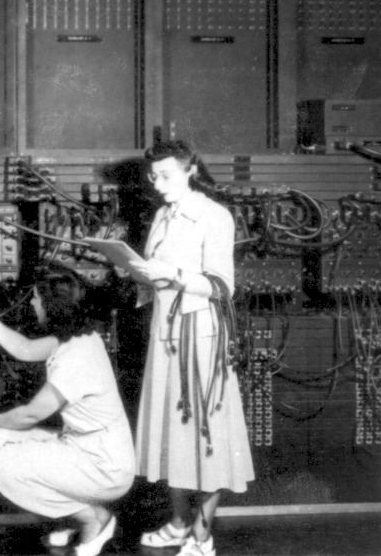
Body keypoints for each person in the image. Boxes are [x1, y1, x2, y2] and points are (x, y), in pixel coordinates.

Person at [126, 140, 255, 556]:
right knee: (172, 434)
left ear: (190, 170)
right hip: (165, 335)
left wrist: (170, 273)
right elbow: (156, 276)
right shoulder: (163, 215)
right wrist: (137, 273)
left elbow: (221, 286)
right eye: (153, 177)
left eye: (165, 175)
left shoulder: (213, 216)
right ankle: (179, 523)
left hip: (201, 338)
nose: (157, 184)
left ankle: (202, 534)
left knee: (207, 437)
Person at [0, 268, 135, 556]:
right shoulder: (78, 338)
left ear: (53, 306)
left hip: (104, 467)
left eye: (38, 298)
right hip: (88, 451)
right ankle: (77, 516)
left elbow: (30, 414)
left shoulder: (75, 357)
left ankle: (93, 520)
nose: (33, 303)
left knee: (4, 463)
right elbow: (24, 348)